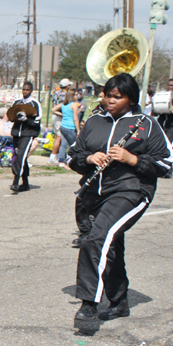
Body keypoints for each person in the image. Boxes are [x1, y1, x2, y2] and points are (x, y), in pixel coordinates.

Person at [68, 73, 172, 331]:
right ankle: (119, 301)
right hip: (95, 195)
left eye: (117, 97)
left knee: (96, 239)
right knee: (110, 245)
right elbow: (72, 156)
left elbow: (166, 163)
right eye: (108, 95)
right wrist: (89, 158)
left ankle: (88, 305)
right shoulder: (95, 121)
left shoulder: (146, 124)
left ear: (131, 99)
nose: (110, 101)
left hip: (131, 192)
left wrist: (132, 159)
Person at [73, 90, 107, 249]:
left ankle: (97, 233)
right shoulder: (96, 113)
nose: (102, 96)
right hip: (93, 161)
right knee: (83, 198)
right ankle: (85, 232)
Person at [9, 81, 42, 192]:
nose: (25, 91)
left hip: (28, 134)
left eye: (27, 90)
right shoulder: (17, 102)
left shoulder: (35, 104)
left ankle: (15, 181)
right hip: (16, 133)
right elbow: (11, 116)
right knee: (20, 157)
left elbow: (37, 122)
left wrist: (27, 120)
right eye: (23, 89)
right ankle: (25, 183)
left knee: (21, 156)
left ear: (31, 90)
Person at [54, 88, 81, 168]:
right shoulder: (74, 105)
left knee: (63, 145)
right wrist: (78, 130)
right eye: (76, 94)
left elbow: (53, 109)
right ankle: (74, 161)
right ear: (72, 95)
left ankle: (61, 161)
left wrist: (61, 114)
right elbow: (75, 119)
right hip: (70, 127)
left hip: (63, 126)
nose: (77, 96)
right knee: (74, 145)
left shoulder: (63, 104)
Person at [48, 79, 71, 165]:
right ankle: (53, 156)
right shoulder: (64, 95)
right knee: (59, 137)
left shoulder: (56, 93)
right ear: (67, 86)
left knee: (56, 136)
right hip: (59, 116)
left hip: (54, 116)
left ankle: (56, 154)